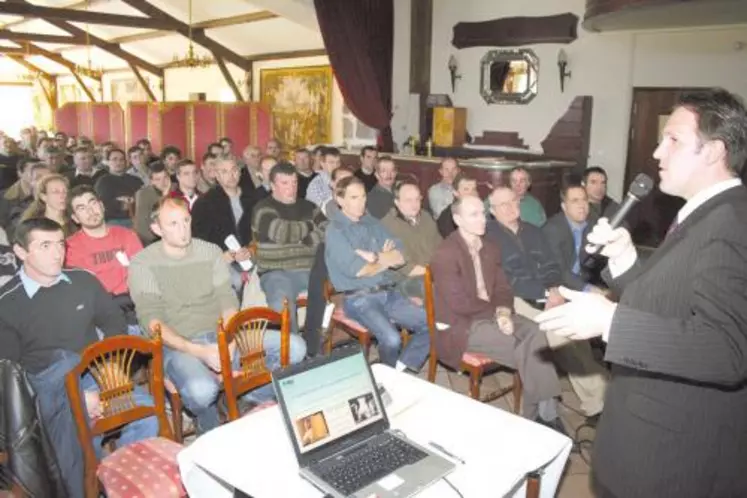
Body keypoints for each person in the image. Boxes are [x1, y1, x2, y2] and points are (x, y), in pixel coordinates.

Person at [535, 88, 747, 498]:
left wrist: (609, 320)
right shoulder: (707, 214)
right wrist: (626, 260)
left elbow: (727, 349)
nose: (656, 152)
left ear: (713, 150)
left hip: (674, 457)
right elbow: (676, 302)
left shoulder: (732, 223)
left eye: (673, 140)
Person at [0, 218, 158, 497]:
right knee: (76, 422)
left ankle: (120, 481)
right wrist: (73, 394)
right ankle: (84, 486)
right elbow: (13, 376)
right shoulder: (7, 302)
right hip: (43, 389)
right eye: (45, 245)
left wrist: (111, 369)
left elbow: (114, 325)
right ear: (21, 252)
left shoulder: (83, 280)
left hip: (95, 373)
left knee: (147, 414)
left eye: (60, 244)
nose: (57, 253)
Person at [128, 197, 306, 434]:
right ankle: (208, 416)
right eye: (173, 224)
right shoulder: (143, 263)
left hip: (223, 333)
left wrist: (230, 340)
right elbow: (153, 323)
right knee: (203, 392)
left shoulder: (209, 251)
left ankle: (249, 395)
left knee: (296, 347)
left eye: (186, 220)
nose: (183, 230)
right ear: (156, 229)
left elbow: (227, 299)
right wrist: (199, 351)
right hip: (180, 344)